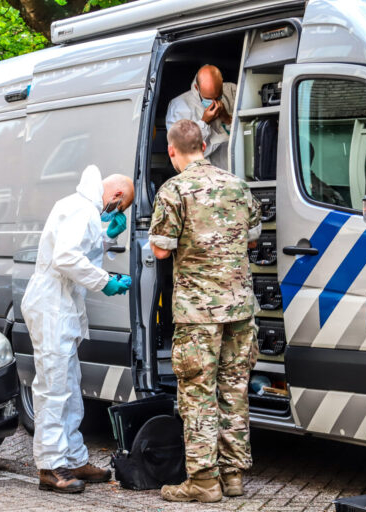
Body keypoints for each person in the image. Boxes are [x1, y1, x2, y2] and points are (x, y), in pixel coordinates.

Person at [149, 119, 261, 503]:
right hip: (240, 309)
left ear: (172, 151)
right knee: (234, 391)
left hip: (198, 313)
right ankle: (233, 477)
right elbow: (251, 239)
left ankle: (203, 481)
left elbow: (162, 250)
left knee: (198, 394)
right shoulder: (237, 186)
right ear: (206, 144)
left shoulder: (174, 190)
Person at [21, 165, 134, 494]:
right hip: (51, 308)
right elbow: (67, 257)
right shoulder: (81, 209)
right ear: (114, 196)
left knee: (69, 388)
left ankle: (73, 457)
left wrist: (108, 233)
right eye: (121, 206)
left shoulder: (82, 208)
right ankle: (51, 466)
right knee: (54, 390)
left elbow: (84, 243)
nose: (118, 211)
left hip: (59, 309)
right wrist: (106, 282)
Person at [165, 64, 236, 171]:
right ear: (197, 88)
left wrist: (227, 118)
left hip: (231, 172)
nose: (214, 102)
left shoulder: (231, 91)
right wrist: (204, 122)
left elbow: (244, 134)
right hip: (201, 176)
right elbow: (182, 151)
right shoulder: (179, 106)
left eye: (218, 97)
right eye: (208, 98)